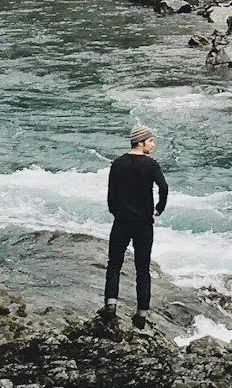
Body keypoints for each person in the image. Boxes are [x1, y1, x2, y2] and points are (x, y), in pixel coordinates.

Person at [103, 125, 169, 327]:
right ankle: (141, 314)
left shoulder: (118, 163)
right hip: (143, 224)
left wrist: (115, 211)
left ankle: (111, 305)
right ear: (141, 142)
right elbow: (163, 188)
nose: (153, 144)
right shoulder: (151, 165)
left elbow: (111, 194)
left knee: (114, 264)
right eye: (150, 141)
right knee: (142, 268)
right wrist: (159, 209)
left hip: (121, 221)